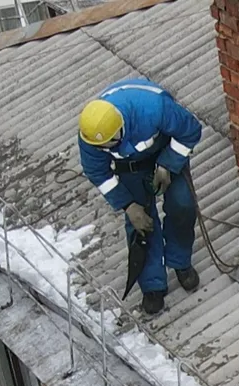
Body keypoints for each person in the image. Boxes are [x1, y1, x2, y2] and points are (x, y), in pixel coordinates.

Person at [77, 80, 202, 315]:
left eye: (110, 144)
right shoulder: (90, 136)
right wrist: (128, 205)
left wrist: (168, 164)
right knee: (140, 224)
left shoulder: (154, 108)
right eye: (101, 147)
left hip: (165, 153)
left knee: (183, 205)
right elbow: (97, 172)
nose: (106, 149)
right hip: (130, 170)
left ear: (120, 128)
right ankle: (152, 284)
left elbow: (190, 130)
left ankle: (180, 261)